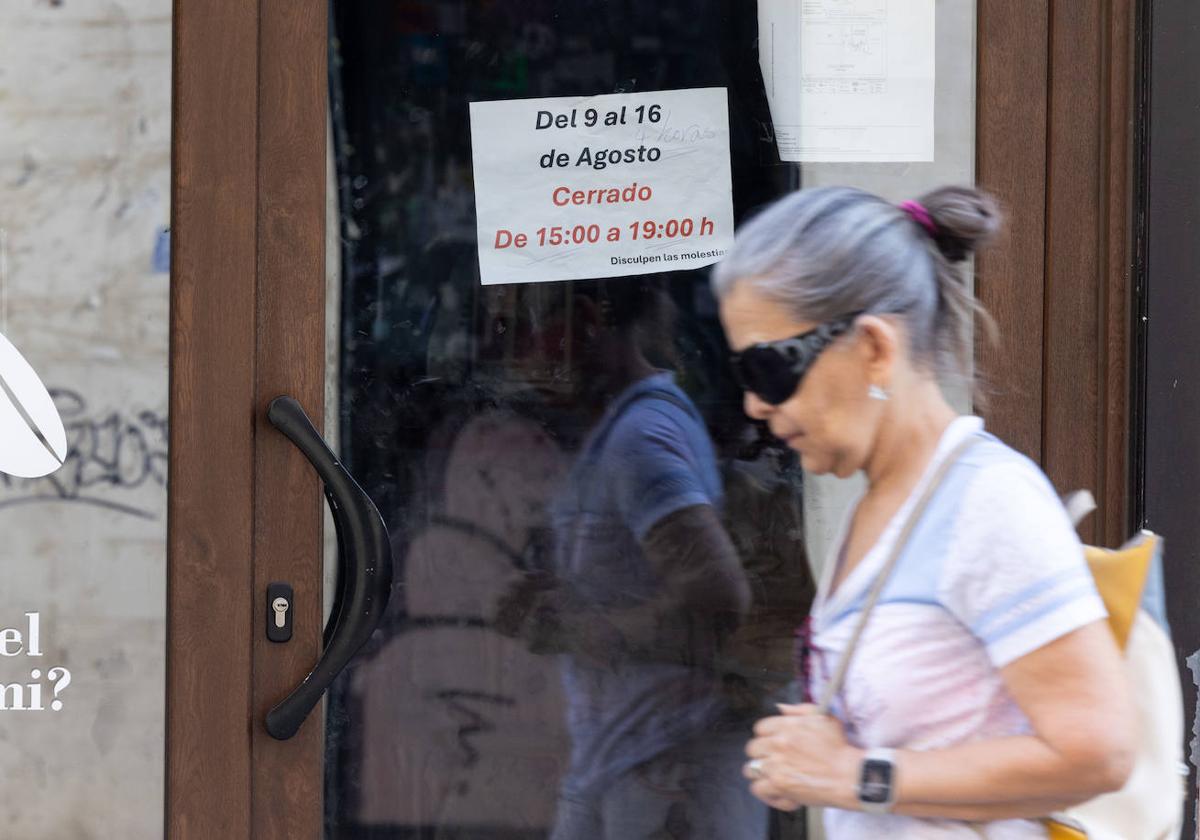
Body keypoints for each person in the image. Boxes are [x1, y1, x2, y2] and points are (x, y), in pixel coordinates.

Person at [711, 186, 1136, 837]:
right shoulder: (881, 505)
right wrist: (818, 752)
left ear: (875, 348)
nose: (755, 406)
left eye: (769, 369)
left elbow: (1098, 752)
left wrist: (854, 776)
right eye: (742, 376)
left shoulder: (987, 504)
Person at [493, 280, 768, 839]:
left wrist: (580, 626)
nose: (513, 356)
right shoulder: (627, 427)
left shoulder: (641, 438)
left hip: (666, 771)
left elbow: (718, 602)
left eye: (519, 331)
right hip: (631, 762)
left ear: (585, 323)